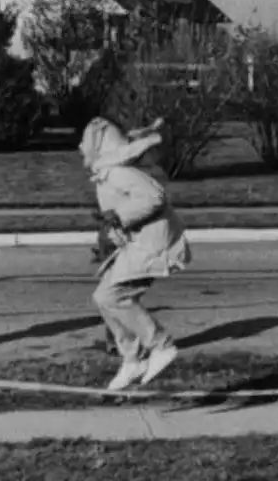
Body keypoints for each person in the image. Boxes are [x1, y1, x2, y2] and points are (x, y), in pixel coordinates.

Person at [80, 116, 191, 391]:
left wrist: (118, 219)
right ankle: (132, 359)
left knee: (113, 296)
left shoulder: (118, 173)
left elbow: (154, 198)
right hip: (138, 244)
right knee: (103, 297)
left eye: (84, 143)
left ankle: (161, 345)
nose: (80, 148)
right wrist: (113, 232)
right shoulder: (108, 173)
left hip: (153, 246)